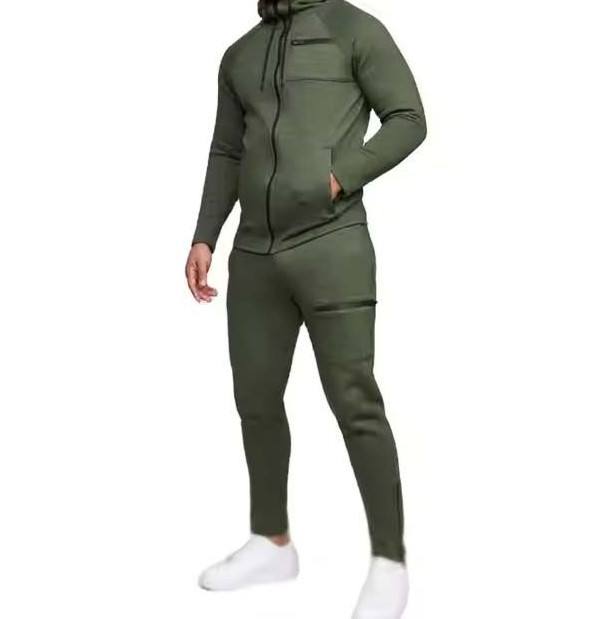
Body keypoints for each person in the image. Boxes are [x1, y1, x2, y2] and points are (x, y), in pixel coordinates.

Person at [185, 0, 426, 616]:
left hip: (332, 245)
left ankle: (389, 561)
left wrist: (340, 177)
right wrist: (205, 234)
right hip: (254, 255)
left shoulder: (354, 30)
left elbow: (408, 118)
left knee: (355, 401)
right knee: (256, 399)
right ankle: (271, 542)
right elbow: (226, 152)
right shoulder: (239, 54)